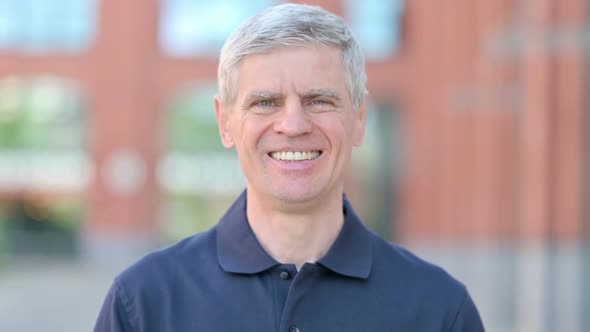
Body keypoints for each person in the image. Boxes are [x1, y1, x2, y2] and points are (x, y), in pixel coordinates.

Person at [94, 3, 485, 332]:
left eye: (318, 100)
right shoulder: (144, 303)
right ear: (225, 122)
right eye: (265, 102)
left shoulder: (439, 310)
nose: (294, 125)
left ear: (360, 118)